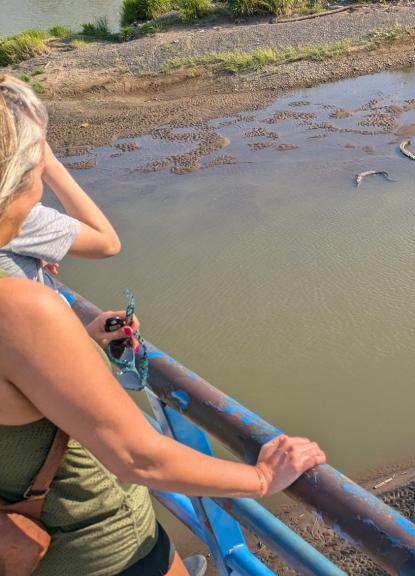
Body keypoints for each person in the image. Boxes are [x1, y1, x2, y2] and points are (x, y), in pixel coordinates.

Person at [0, 74, 327, 576]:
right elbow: (138, 457)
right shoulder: (21, 309)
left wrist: (76, 341)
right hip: (98, 550)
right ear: (22, 172)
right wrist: (261, 478)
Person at [0, 136, 121, 288]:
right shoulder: (17, 216)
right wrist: (50, 164)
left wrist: (30, 256)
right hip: (42, 309)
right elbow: (108, 244)